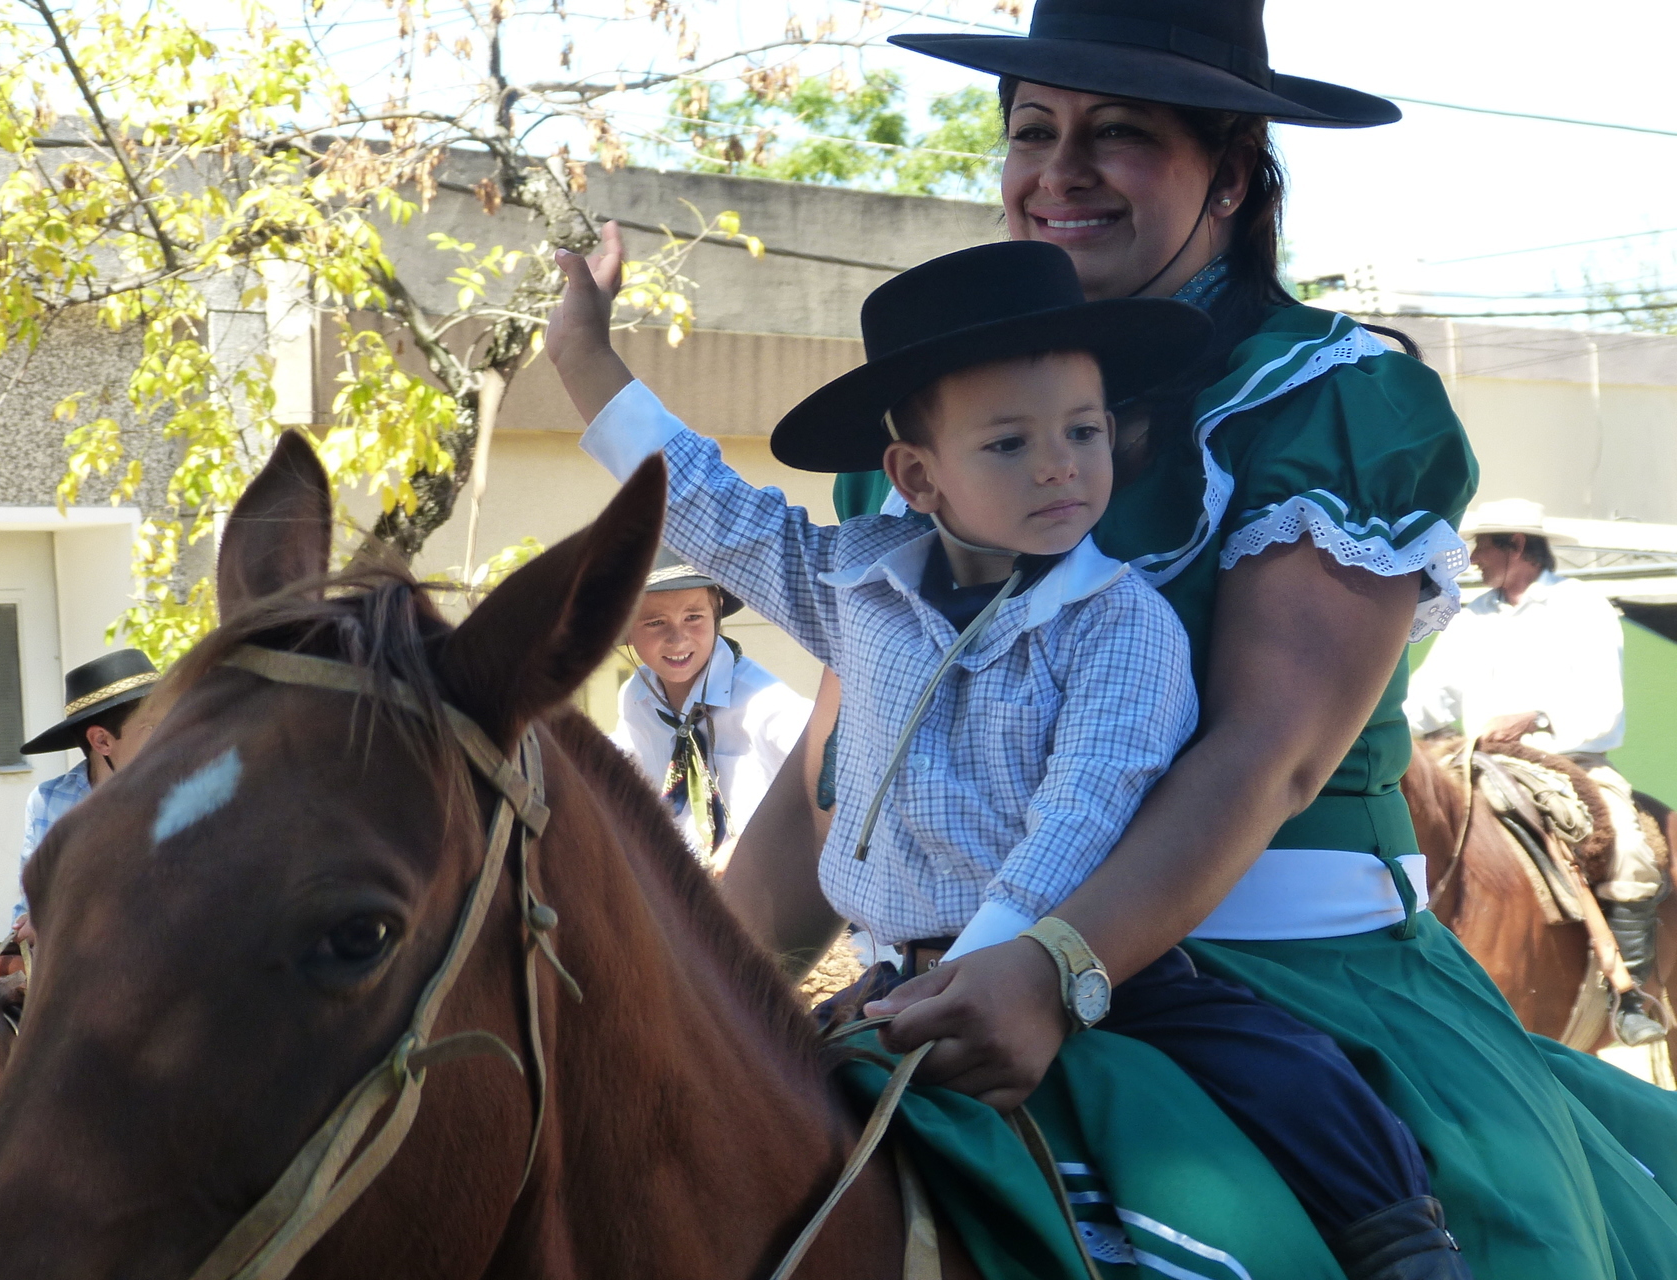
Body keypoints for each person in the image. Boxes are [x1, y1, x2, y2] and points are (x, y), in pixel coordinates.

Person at [707, 1, 1677, 1277]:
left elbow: (1265, 755)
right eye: (1034, 130)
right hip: (948, 986)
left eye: (1119, 135)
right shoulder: (939, 430)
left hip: (1282, 985)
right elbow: (841, 769)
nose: (1059, 170)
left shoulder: (1333, 403)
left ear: (1230, 174)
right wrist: (702, 977)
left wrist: (1052, 972)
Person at [554, 231, 1474, 1272]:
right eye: (1007, 444)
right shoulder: (859, 589)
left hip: (1082, 962)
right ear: (915, 474)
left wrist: (1001, 965)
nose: (1058, 464)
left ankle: (1405, 1243)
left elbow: (1082, 812)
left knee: (1293, 1072)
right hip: (897, 975)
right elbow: (715, 510)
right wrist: (585, 358)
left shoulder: (1122, 626)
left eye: (1083, 430)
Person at [1405, 497, 1667, 1045]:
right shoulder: (1470, 617)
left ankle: (1630, 996)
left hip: (1568, 759)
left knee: (1632, 849)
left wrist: (1539, 716)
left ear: (1516, 547)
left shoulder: (1584, 608)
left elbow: (1605, 712)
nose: (1473, 558)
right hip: (1471, 757)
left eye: (1483, 545)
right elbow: (1428, 700)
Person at [611, 549, 813, 870]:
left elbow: (840, 782)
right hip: (678, 894)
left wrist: (749, 846)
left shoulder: (765, 703)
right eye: (655, 622)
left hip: (766, 890)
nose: (678, 638)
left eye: (693, 617)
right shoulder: (637, 698)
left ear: (717, 610)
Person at [13, 650, 160, 927]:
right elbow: (28, 910)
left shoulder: (188, 796)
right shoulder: (49, 802)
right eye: (152, 727)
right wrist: (33, 922)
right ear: (102, 741)